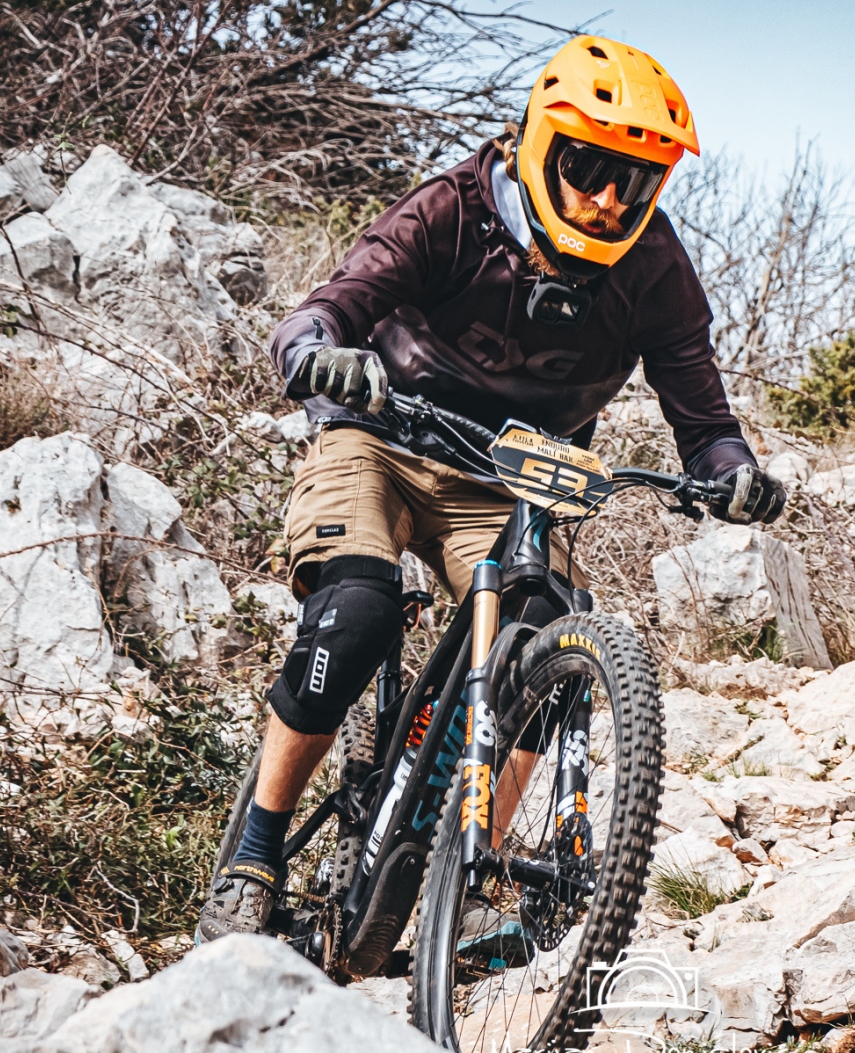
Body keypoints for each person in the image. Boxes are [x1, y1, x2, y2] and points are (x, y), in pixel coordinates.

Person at [197, 35, 786, 941]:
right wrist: (319, 352)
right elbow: (328, 308)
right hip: (380, 439)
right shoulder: (454, 209)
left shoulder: (654, 269)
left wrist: (733, 475)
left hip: (510, 483)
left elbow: (704, 426)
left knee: (545, 639)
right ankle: (254, 853)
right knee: (355, 614)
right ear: (541, 145)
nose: (607, 198)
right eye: (588, 167)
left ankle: (467, 873)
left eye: (634, 181)